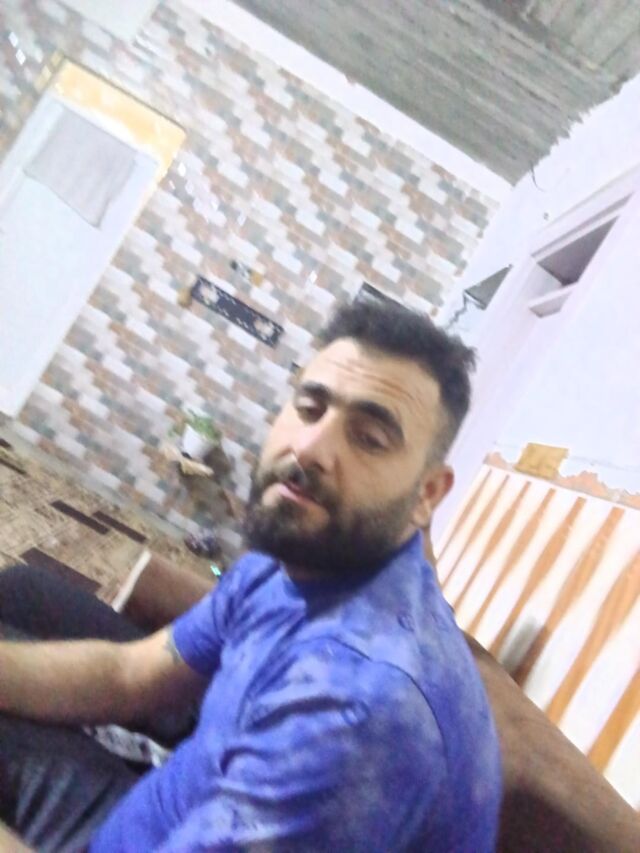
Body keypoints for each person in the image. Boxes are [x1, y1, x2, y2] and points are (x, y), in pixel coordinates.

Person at [0, 299, 501, 851]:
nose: (309, 448)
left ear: (427, 494)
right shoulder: (296, 557)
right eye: (310, 408)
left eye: (369, 438)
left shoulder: (355, 712)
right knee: (20, 592)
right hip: (158, 809)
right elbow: (131, 675)